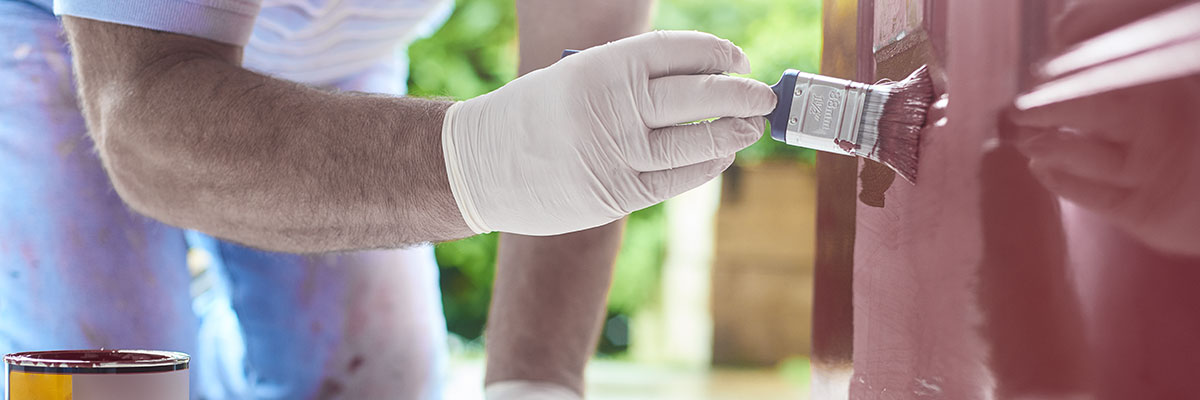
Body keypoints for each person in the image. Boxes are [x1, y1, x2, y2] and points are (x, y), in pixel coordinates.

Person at [0, 0, 775, 399]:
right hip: (86, 49)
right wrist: (479, 158)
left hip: (336, 56)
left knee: (373, 384)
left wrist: (533, 381)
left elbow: (584, 118)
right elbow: (139, 117)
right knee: (101, 373)